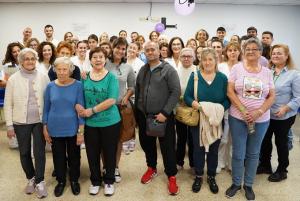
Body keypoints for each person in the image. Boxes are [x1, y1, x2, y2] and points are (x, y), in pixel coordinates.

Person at [225, 38, 275, 201]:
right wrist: (243, 110)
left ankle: (248, 185)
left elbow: (272, 96)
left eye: (255, 49)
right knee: (238, 153)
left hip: (261, 120)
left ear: (260, 52)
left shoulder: (267, 72)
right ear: (243, 51)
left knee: (253, 153)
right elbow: (230, 91)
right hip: (238, 118)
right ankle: (236, 183)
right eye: (247, 49)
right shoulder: (237, 69)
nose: (251, 51)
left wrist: (259, 112)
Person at [135, 41, 180, 195]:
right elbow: (138, 90)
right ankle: (151, 168)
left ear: (159, 51)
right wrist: (138, 112)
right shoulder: (143, 69)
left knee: (167, 148)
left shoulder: (168, 70)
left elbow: (175, 92)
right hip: (144, 116)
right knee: (148, 145)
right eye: (147, 50)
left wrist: (165, 113)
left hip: (163, 116)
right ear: (144, 53)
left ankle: (172, 175)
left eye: (153, 49)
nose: (150, 52)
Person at [4, 48, 49, 198]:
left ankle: (40, 180)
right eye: (27, 59)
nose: (30, 61)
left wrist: (48, 122)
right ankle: (31, 178)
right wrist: (9, 125)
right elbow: (8, 103)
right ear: (21, 61)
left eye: (33, 58)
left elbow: (48, 100)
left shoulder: (43, 77)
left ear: (36, 60)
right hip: (20, 122)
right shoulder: (13, 79)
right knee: (24, 152)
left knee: (39, 152)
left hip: (39, 121)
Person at [184, 48, 230, 194]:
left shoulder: (222, 78)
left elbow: (228, 99)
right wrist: (196, 105)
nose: (208, 62)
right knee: (198, 148)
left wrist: (218, 110)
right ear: (201, 62)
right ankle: (198, 175)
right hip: (199, 118)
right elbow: (187, 96)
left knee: (214, 149)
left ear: (216, 61)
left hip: (216, 119)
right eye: (204, 60)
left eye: (211, 59)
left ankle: (211, 176)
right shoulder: (195, 76)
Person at [77, 47, 121, 196]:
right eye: (94, 57)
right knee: (92, 152)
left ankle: (109, 181)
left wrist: (92, 110)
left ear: (105, 59)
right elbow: (79, 97)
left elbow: (111, 100)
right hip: (90, 124)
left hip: (110, 122)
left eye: (101, 57)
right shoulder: (85, 77)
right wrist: (79, 107)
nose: (98, 60)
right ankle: (95, 180)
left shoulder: (111, 77)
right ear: (90, 60)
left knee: (109, 152)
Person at [43, 57, 84, 197]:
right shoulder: (50, 86)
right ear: (55, 70)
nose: (61, 72)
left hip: (73, 128)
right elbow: (46, 109)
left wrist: (81, 131)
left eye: (64, 69)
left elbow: (81, 110)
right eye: (58, 69)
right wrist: (44, 127)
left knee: (74, 157)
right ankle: (61, 181)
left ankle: (74, 180)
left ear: (70, 70)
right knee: (58, 157)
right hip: (54, 127)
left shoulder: (78, 85)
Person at [258, 44, 300, 182]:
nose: (275, 55)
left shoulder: (294, 74)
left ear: (286, 56)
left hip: (283, 115)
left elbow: (298, 97)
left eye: (279, 53)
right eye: (274, 53)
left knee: (280, 142)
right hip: (266, 114)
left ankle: (282, 170)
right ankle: (265, 165)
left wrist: (285, 108)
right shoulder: (267, 72)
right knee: (265, 141)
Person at [105, 37, 135, 182]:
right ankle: (105, 167)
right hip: (105, 107)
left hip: (120, 107)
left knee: (118, 140)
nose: (120, 51)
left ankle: (115, 167)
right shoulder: (104, 63)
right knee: (104, 141)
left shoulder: (128, 67)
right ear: (112, 47)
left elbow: (132, 87)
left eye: (123, 49)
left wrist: (127, 96)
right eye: (118, 48)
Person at [217, 42, 242, 173]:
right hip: (225, 105)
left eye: (235, 50)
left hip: (239, 106)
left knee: (234, 139)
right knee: (224, 138)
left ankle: (231, 164)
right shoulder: (221, 66)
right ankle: (220, 162)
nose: (232, 52)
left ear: (239, 52)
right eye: (230, 50)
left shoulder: (243, 67)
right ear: (226, 53)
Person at [175, 48, 197, 170]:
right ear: (180, 58)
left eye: (189, 56)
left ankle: (193, 164)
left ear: (194, 58)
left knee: (193, 139)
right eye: (184, 56)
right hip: (180, 108)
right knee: (181, 137)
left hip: (194, 109)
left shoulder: (198, 70)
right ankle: (179, 162)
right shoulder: (176, 71)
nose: (186, 58)